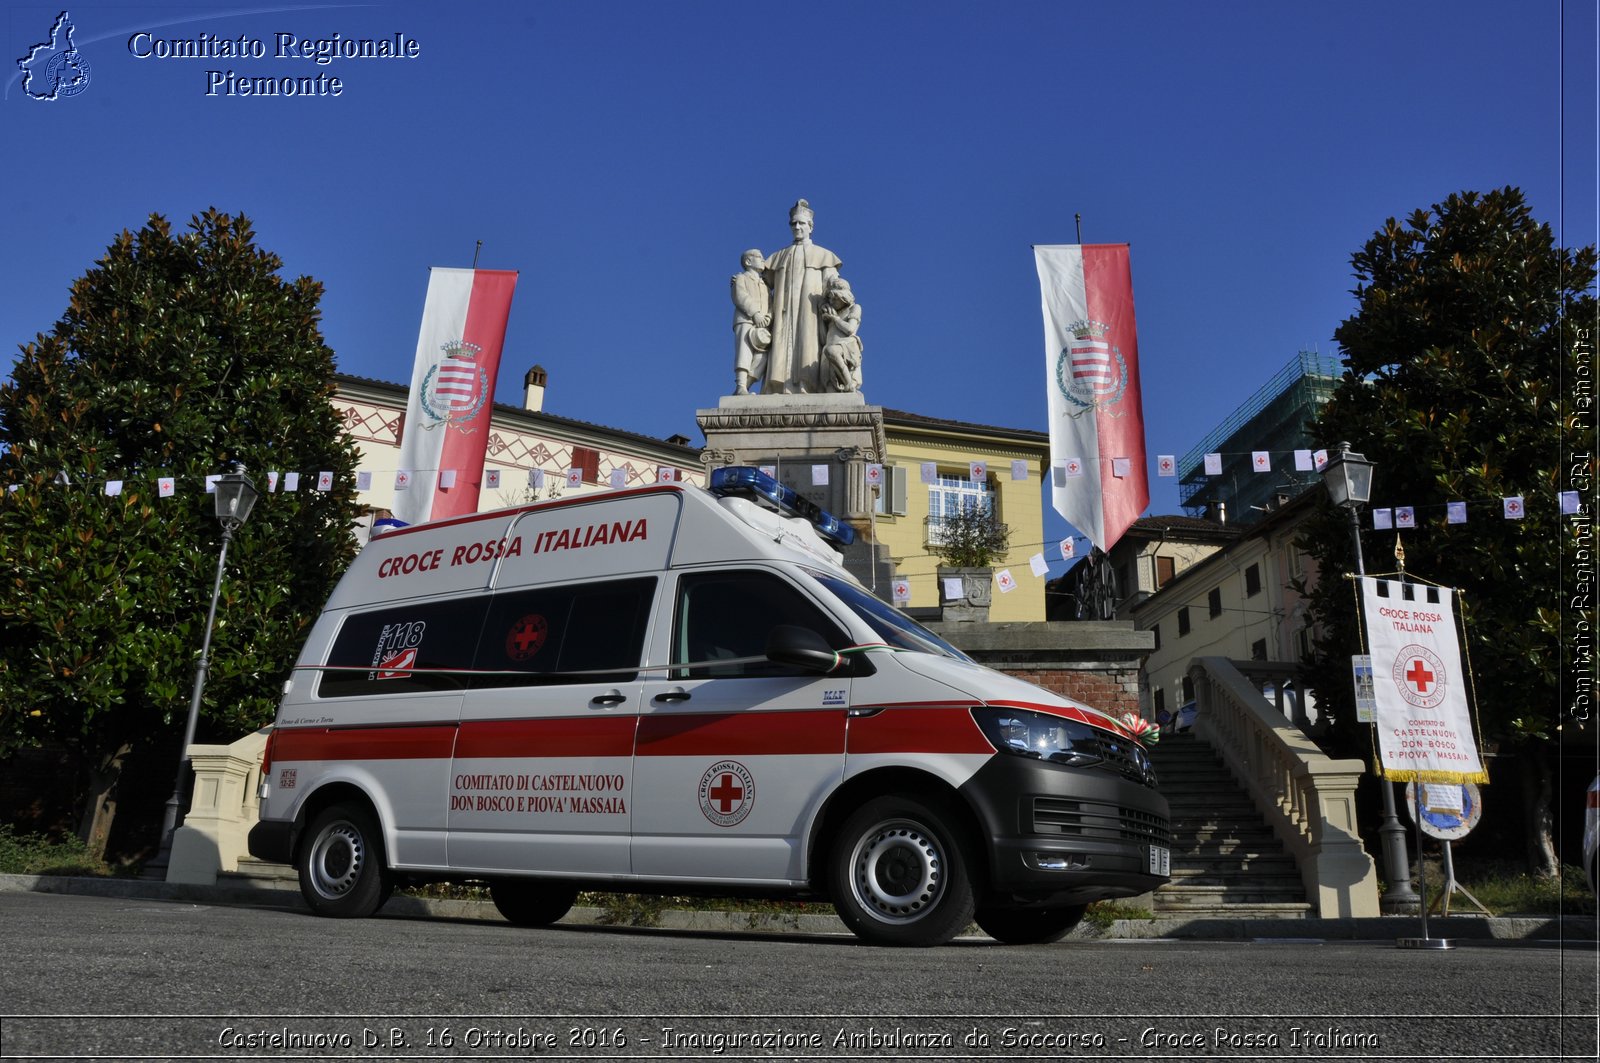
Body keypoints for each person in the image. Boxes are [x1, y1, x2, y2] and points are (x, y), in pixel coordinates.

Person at [761, 199, 840, 394]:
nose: (797, 227)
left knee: (808, 344)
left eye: (801, 223)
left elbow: (834, 285)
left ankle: (808, 384)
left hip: (810, 311)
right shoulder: (778, 256)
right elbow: (762, 286)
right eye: (794, 223)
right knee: (781, 345)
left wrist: (835, 302)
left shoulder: (823, 255)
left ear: (810, 227)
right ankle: (779, 386)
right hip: (783, 312)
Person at [730, 250, 771, 395]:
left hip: (762, 325)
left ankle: (746, 385)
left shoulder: (765, 284)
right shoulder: (741, 278)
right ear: (748, 262)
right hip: (745, 320)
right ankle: (740, 385)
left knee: (763, 356)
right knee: (744, 351)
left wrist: (768, 317)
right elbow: (740, 297)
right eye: (759, 257)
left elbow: (771, 303)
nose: (763, 260)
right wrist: (755, 314)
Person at [820, 275, 863, 393]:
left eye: (834, 298)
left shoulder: (855, 308)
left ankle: (849, 383)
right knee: (829, 388)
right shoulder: (833, 311)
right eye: (830, 299)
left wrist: (835, 319)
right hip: (830, 351)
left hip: (847, 346)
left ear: (843, 297)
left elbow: (850, 329)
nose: (831, 302)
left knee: (831, 351)